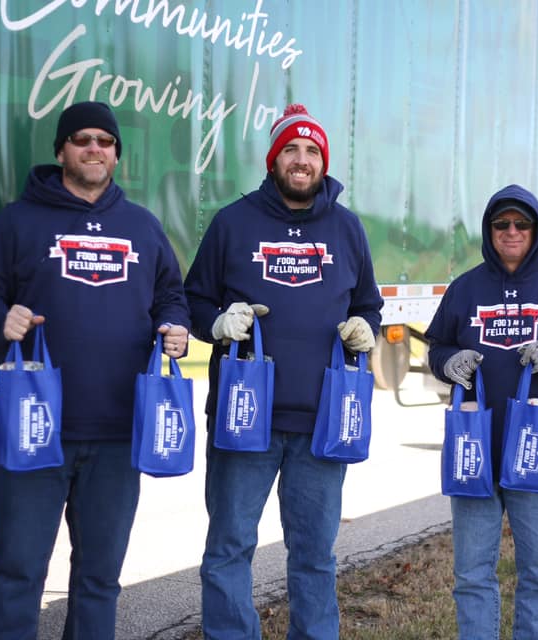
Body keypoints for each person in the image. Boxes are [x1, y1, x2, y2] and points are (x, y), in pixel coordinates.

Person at [0, 101, 191, 639]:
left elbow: (171, 296)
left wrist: (175, 327)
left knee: (100, 578)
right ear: (61, 149)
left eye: (105, 142)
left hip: (117, 432)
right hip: (35, 427)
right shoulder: (18, 221)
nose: (94, 148)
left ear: (116, 156)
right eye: (82, 139)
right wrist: (2, 318)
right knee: (19, 573)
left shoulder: (142, 226)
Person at [183, 103, 383, 639]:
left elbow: (369, 304)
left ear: (324, 161)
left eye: (312, 150)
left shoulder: (347, 229)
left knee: (315, 554)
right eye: (291, 150)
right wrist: (220, 323)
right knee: (229, 547)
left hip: (321, 422)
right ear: (273, 160)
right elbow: (193, 301)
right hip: (243, 417)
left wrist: (365, 326)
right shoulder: (233, 222)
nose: (302, 159)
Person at [426, 184, 538, 639]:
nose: (511, 232)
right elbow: (438, 347)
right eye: (501, 224)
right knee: (471, 575)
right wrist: (448, 362)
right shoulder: (466, 288)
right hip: (477, 451)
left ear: (536, 230)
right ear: (489, 231)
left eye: (521, 224)